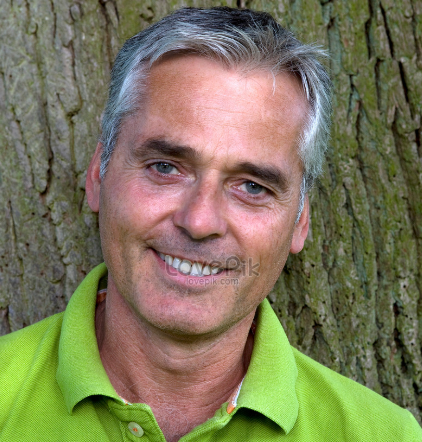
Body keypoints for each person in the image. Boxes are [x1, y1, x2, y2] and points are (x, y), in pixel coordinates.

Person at [0, 6, 420, 442]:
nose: (199, 221)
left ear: (300, 220)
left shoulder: (384, 436)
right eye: (165, 167)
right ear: (97, 175)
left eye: (252, 187)